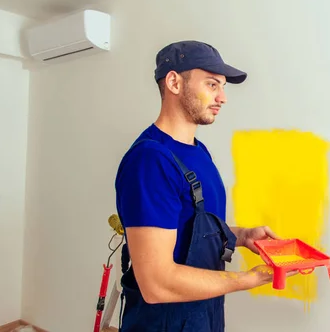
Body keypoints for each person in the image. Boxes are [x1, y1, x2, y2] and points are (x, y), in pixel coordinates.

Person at [114, 40, 290, 331]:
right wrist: (249, 279)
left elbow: (191, 230)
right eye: (211, 85)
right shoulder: (150, 160)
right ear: (174, 82)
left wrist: (244, 235)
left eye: (222, 87)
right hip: (164, 324)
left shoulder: (198, 152)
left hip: (203, 315)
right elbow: (156, 284)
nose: (222, 97)